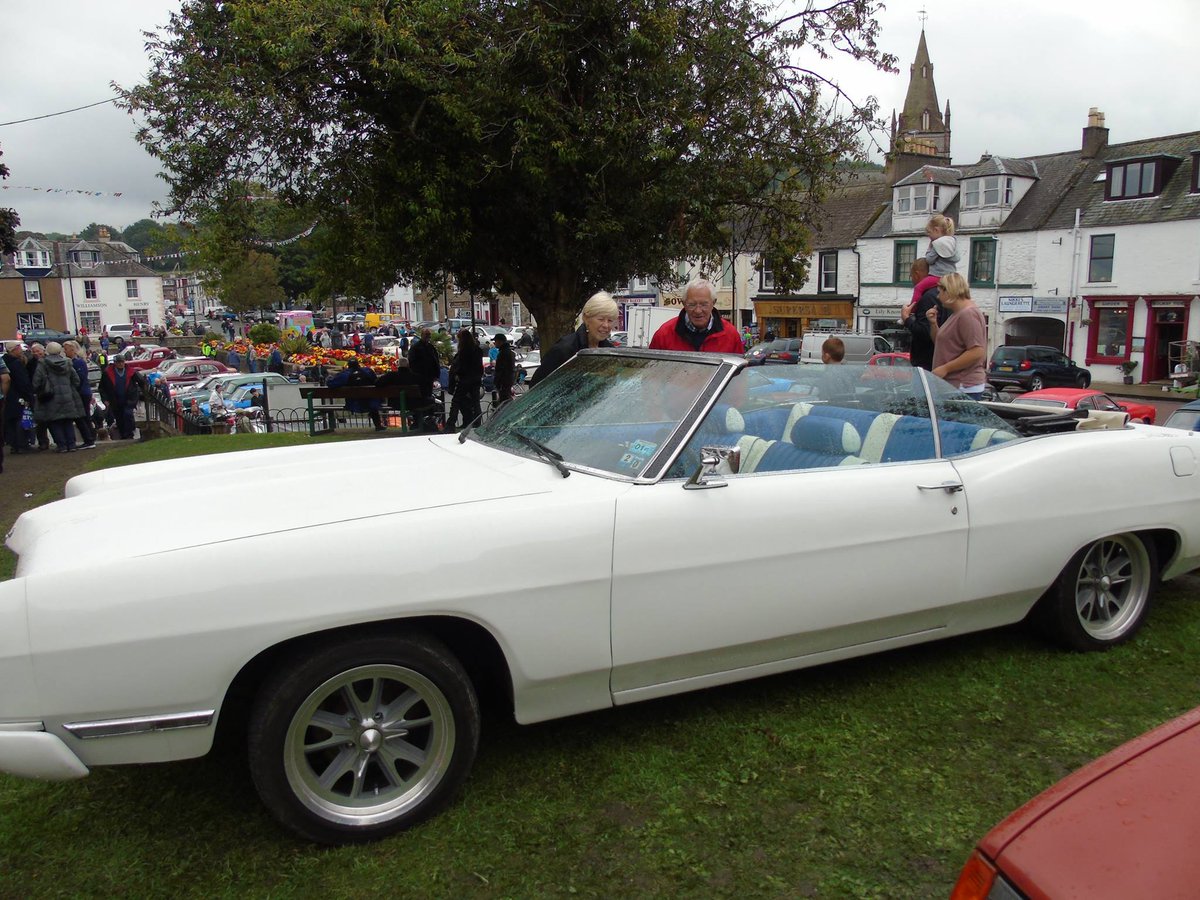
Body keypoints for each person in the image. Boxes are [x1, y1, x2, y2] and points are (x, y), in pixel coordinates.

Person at [531, 291, 618, 385]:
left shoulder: (611, 352)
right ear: (586, 318)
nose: (606, 325)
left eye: (610, 320)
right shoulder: (564, 350)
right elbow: (537, 386)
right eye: (601, 319)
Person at [929, 273, 988, 398]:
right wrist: (933, 324)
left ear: (949, 291)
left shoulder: (968, 314)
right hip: (953, 386)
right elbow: (942, 344)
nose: (938, 297)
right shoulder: (957, 313)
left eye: (940, 292)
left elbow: (977, 351)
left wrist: (945, 368)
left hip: (963, 386)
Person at [650, 279, 744, 354]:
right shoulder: (664, 335)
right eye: (692, 304)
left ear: (713, 303)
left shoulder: (731, 335)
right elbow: (650, 369)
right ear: (684, 303)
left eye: (704, 304)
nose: (698, 311)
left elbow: (739, 371)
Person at [31, 342, 85, 453]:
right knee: (68, 421)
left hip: (50, 397)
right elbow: (76, 380)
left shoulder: (43, 364)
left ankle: (62, 445)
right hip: (68, 396)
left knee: (55, 422)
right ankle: (71, 444)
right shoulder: (67, 362)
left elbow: (36, 382)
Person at [900, 258, 948, 370]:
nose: (912, 280)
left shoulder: (927, 297)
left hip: (928, 362)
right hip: (940, 359)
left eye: (911, 276)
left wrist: (906, 319)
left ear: (917, 274)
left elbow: (925, 332)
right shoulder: (941, 294)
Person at [327, 357, 386, 431]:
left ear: (348, 365)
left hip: (353, 404)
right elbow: (376, 381)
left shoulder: (344, 374)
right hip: (371, 403)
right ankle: (378, 425)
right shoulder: (368, 371)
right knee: (372, 401)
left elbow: (331, 384)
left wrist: (329, 378)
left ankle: (331, 428)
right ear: (358, 364)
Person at [446, 328, 484, 431]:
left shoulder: (463, 351)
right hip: (475, 380)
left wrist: (457, 374)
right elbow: (479, 367)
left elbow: (461, 366)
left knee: (456, 401)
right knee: (475, 402)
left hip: (464, 380)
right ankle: (476, 423)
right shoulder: (477, 350)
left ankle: (451, 423)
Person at [63, 341, 97, 448]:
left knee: (83, 416)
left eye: (66, 349)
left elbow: (80, 379)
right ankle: (89, 438)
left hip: (82, 393)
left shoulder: (78, 363)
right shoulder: (74, 362)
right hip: (82, 392)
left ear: (73, 350)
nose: (64, 351)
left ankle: (89, 439)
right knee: (84, 416)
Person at [98, 355, 142, 439]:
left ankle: (129, 435)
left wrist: (139, 392)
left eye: (122, 362)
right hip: (115, 401)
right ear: (115, 363)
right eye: (119, 362)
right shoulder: (107, 373)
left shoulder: (131, 372)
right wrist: (105, 399)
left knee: (128, 414)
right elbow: (102, 388)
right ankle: (123, 435)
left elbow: (141, 381)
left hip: (129, 399)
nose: (121, 364)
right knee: (119, 418)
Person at [3, 342, 35, 455]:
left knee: (11, 420)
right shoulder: (16, 364)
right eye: (19, 349)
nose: (21, 351)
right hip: (18, 395)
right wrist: (28, 395)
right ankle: (22, 444)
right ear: (14, 350)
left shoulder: (4, 362)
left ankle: (14, 445)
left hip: (8, 395)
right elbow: (23, 381)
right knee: (21, 419)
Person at [819, 337, 857, 403]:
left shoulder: (828, 375)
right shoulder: (847, 372)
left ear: (827, 356)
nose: (821, 355)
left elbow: (825, 400)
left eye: (822, 353)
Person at [924, 214, 960, 279]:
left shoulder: (937, 243)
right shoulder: (952, 241)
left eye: (929, 232)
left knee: (919, 285)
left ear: (936, 230)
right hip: (951, 277)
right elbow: (957, 258)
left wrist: (929, 248)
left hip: (937, 276)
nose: (928, 235)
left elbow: (929, 260)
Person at [491, 332, 516, 406]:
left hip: (503, 382)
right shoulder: (508, 352)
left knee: (504, 401)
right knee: (505, 399)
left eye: (495, 341)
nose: (494, 343)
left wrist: (497, 382)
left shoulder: (503, 353)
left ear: (500, 341)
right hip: (507, 381)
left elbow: (501, 369)